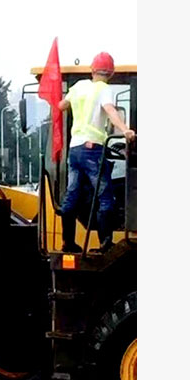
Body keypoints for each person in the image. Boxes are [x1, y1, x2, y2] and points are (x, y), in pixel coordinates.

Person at [56, 51, 136, 254]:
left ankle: (68, 242)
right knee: (105, 196)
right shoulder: (104, 89)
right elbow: (110, 110)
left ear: (92, 70)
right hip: (92, 150)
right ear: (111, 73)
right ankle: (105, 243)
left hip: (74, 150)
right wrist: (125, 130)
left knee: (72, 195)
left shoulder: (78, 86)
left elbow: (61, 105)